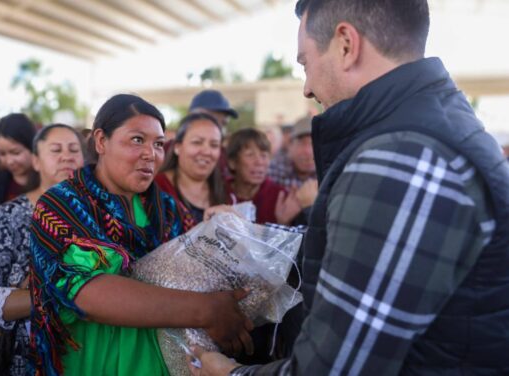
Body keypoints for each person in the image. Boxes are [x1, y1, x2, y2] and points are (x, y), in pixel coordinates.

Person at [191, 0, 509, 375]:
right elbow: (341, 246)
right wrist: (250, 237)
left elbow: (335, 369)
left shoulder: (401, 157)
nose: (307, 89)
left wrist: (227, 373)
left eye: (305, 64)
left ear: (345, 44)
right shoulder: (426, 129)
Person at [29, 94, 253, 375]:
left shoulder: (166, 210)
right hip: (89, 364)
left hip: (160, 365)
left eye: (158, 144)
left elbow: (191, 271)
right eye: (137, 139)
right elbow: (86, 293)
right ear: (101, 141)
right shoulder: (61, 206)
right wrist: (206, 310)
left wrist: (215, 234)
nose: (151, 153)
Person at [0, 124, 86, 376]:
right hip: (26, 358)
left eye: (74, 149)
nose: (67, 156)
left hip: (89, 355)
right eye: (56, 150)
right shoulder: (10, 215)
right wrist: (61, 295)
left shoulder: (99, 217)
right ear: (36, 161)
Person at [155, 113, 230, 223]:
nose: (207, 151)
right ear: (177, 147)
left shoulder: (227, 191)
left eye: (214, 145)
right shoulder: (155, 188)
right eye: (197, 142)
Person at [226, 128, 304, 225]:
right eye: (250, 155)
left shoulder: (280, 197)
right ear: (232, 162)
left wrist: (283, 223)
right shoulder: (218, 191)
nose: (259, 162)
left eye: (264, 155)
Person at [0, 113, 36, 228]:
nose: (9, 161)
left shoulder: (48, 183)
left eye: (15, 152)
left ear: (33, 147)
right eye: (2, 153)